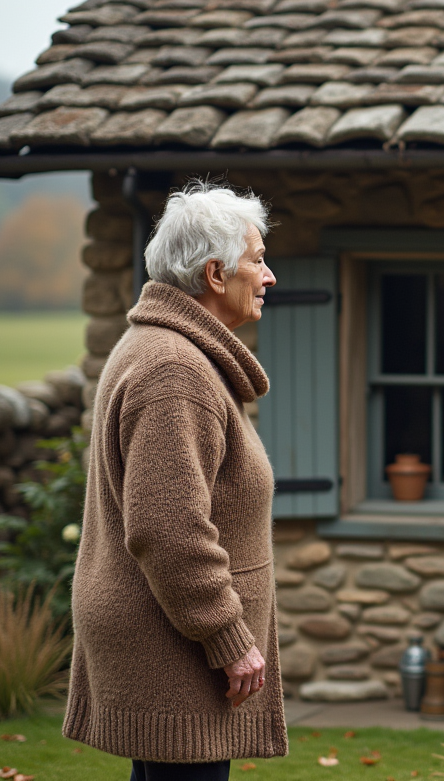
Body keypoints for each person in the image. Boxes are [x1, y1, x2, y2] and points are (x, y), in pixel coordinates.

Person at [64, 181, 286, 780]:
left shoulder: (170, 352)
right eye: (258, 261)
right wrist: (230, 639)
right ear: (215, 274)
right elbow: (167, 528)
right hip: (174, 648)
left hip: (168, 639)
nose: (268, 278)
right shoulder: (174, 372)